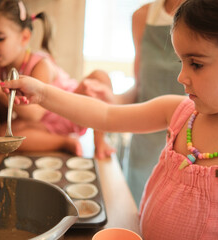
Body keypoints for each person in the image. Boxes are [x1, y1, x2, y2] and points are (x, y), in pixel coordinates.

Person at [1, 0, 218, 238]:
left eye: (196, 64)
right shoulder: (180, 113)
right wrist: (42, 93)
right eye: (182, 62)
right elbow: (106, 115)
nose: (181, 76)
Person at [0, 0, 115, 158]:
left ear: (25, 37)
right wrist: (4, 121)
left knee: (99, 76)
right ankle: (64, 142)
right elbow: (7, 109)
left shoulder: (40, 64)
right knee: (1, 135)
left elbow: (35, 113)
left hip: (70, 112)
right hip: (44, 124)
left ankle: (100, 140)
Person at [82, 0, 186, 206]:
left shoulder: (212, 13)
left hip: (190, 150)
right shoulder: (142, 17)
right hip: (145, 148)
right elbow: (140, 88)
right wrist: (113, 100)